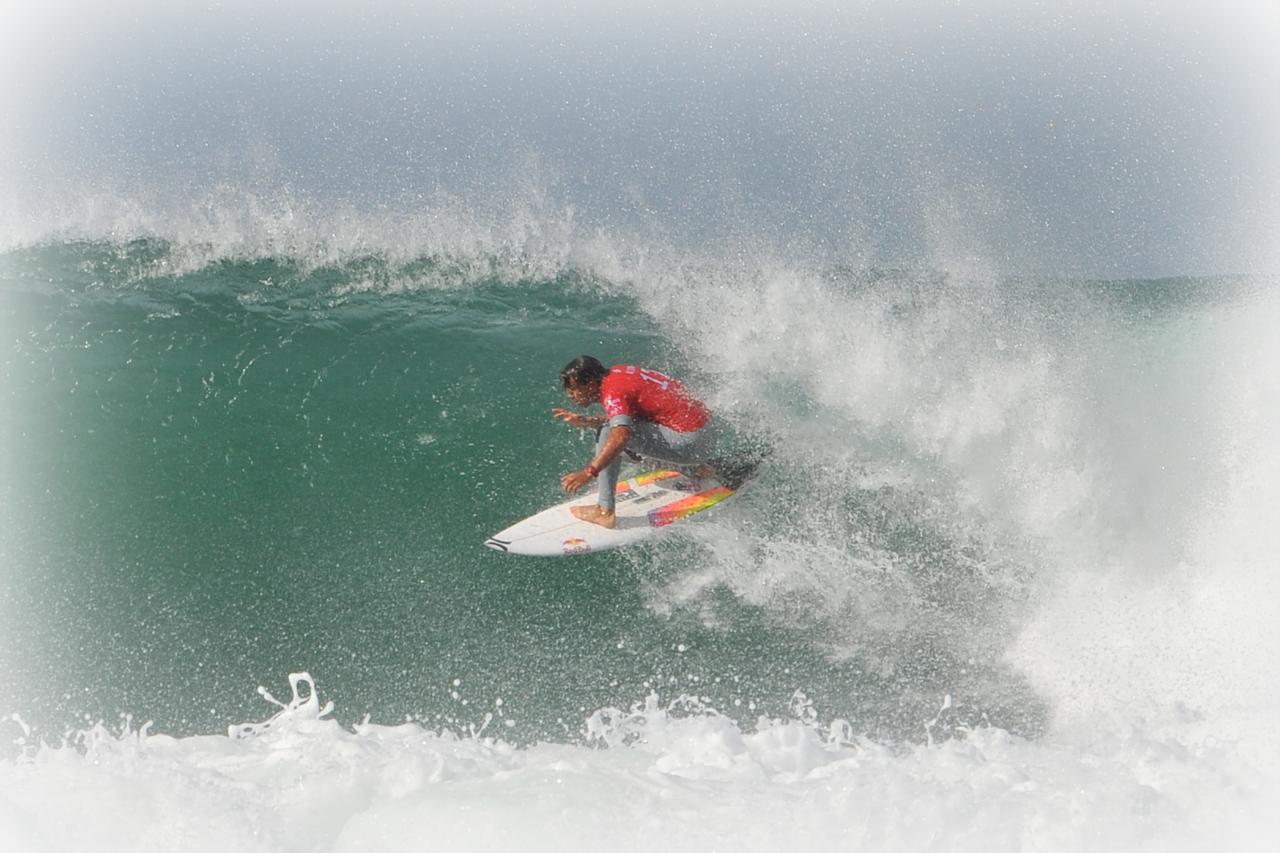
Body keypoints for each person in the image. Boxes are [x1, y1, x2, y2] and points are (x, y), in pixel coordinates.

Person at [554, 355, 718, 528]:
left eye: (574, 389)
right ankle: (695, 468)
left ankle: (604, 510)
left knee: (609, 434)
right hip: (706, 434)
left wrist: (589, 473)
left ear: (591, 384)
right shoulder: (618, 374)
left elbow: (621, 435)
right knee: (620, 445)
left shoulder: (612, 392)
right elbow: (628, 419)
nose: (570, 395)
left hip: (690, 443)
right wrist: (587, 422)